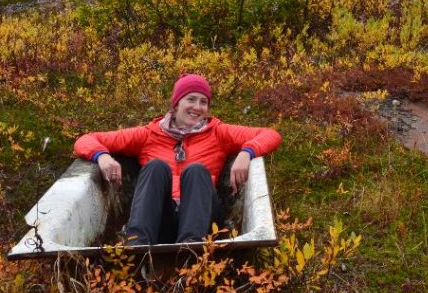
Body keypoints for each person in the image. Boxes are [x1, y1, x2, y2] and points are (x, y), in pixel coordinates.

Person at [73, 73, 281, 245]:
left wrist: (247, 153)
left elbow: (270, 134)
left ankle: (191, 250)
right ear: (176, 104)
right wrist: (102, 156)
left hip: (203, 221)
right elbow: (86, 140)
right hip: (162, 219)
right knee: (155, 167)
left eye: (203, 102)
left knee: (196, 171)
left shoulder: (218, 133)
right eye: (191, 99)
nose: (197, 107)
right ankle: (136, 246)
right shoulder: (149, 134)